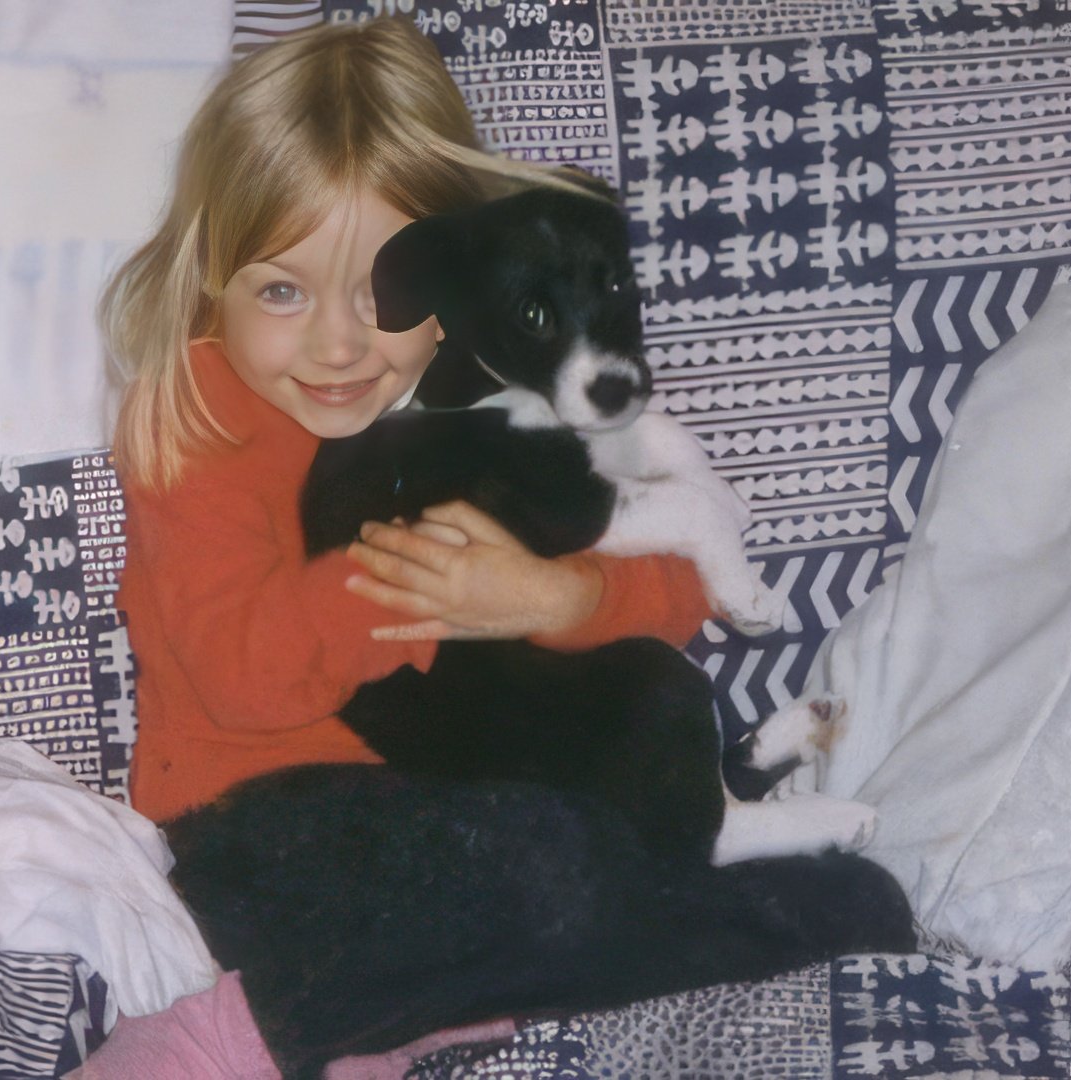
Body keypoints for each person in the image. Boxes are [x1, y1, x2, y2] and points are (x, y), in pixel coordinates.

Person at [103, 17, 713, 826]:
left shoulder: (494, 385)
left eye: (384, 291)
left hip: (475, 792)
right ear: (212, 284)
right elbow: (242, 675)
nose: (339, 344)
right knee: (545, 879)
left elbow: (681, 579)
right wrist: (432, 578)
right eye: (283, 290)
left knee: (602, 831)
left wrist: (561, 597)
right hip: (261, 811)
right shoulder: (195, 415)